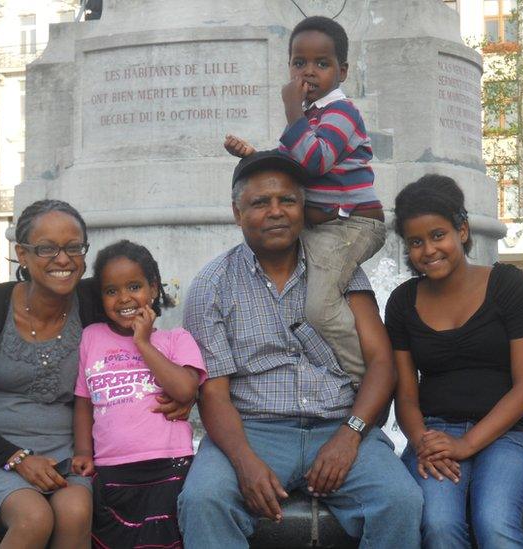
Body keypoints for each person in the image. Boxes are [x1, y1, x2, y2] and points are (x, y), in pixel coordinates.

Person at [179, 151, 422, 548]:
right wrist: (244, 462)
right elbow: (213, 393)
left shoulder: (340, 268)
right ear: (237, 213)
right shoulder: (212, 284)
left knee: (401, 500)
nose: (276, 212)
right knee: (203, 499)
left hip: (339, 423)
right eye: (260, 203)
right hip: (254, 430)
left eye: (287, 201)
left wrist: (351, 433)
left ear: (303, 207)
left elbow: (381, 362)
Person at [0, 200, 188, 547]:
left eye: (73, 248)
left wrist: (183, 396)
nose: (63, 259)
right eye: (47, 249)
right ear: (22, 254)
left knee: (76, 510)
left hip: (69, 453)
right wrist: (17, 458)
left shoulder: (96, 300)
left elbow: (134, 340)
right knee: (34, 517)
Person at [223, 16, 385, 385]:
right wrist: (251, 156)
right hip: (325, 227)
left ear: (342, 71)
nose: (308, 72)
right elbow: (286, 165)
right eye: (299, 63)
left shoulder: (342, 113)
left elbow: (314, 161)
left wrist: (292, 108)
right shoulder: (308, 119)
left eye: (321, 64)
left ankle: (367, 377)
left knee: (319, 308)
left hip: (352, 224)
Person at [385, 175, 523, 548]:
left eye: (438, 235)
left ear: (463, 230)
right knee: (438, 525)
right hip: (436, 433)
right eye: (416, 242)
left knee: (495, 522)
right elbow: (405, 397)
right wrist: (422, 441)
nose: (428, 250)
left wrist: (468, 443)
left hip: (506, 436)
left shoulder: (509, 285)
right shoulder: (403, 302)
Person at [72, 240, 206, 549]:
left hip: (167, 466)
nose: (123, 299)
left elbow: (186, 389)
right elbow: (83, 400)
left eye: (134, 286)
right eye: (111, 291)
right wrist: (83, 452)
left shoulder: (176, 339)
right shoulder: (91, 337)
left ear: (153, 288)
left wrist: (143, 343)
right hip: (112, 470)